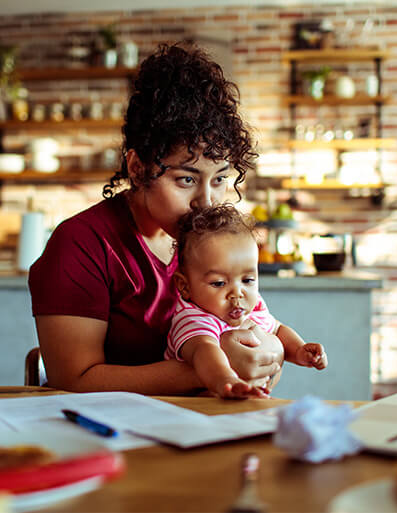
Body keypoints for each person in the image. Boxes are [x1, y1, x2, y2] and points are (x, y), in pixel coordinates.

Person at [28, 42, 284, 394]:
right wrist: (211, 371)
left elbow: (252, 338)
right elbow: (72, 380)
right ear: (137, 167)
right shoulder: (83, 244)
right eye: (186, 179)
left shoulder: (217, 243)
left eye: (221, 179)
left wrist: (270, 353)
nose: (206, 202)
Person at [165, 204, 328, 399]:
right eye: (218, 283)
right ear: (185, 286)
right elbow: (204, 352)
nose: (237, 293)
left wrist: (300, 350)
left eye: (247, 280)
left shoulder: (252, 308)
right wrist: (226, 380)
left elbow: (278, 329)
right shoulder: (193, 318)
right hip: (198, 410)